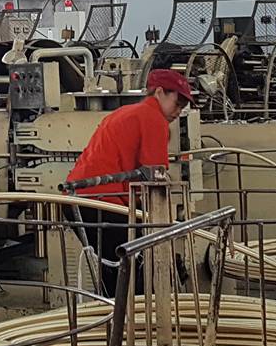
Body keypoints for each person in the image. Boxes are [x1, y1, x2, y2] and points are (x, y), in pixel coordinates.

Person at [63, 68, 194, 295]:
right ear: (160, 92)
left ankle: (116, 320)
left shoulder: (125, 112)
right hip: (102, 201)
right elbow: (156, 179)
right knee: (132, 270)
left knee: (114, 269)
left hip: (80, 198)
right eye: (177, 103)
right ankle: (131, 323)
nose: (178, 111)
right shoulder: (153, 119)